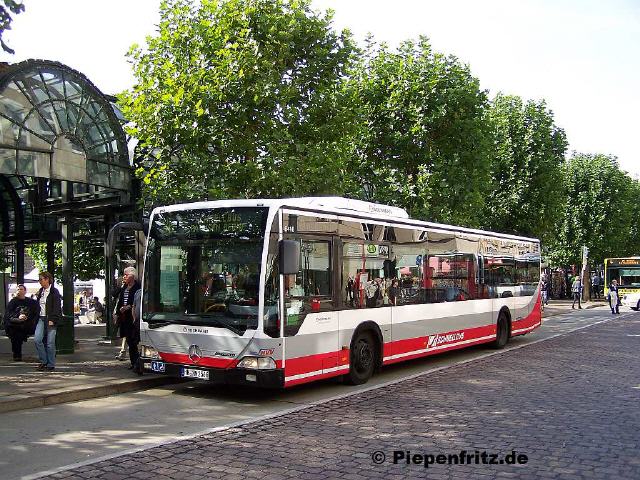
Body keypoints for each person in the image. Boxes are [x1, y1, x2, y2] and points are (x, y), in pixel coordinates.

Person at [34, 271, 63, 371]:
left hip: (50, 319)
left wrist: (53, 319)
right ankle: (44, 360)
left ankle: (50, 364)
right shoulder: (40, 291)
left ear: (47, 279)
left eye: (41, 279)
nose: (40, 281)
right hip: (41, 318)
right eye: (39, 279)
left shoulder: (54, 292)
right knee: (37, 339)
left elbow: (57, 307)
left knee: (50, 343)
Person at [113, 267, 141, 370]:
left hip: (133, 317)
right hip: (124, 318)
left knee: (133, 341)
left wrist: (129, 306)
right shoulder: (124, 287)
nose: (124, 277)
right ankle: (134, 363)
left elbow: (138, 302)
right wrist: (118, 312)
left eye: (126, 275)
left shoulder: (138, 287)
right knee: (129, 340)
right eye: (124, 275)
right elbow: (116, 296)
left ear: (132, 276)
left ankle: (136, 363)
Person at [3, 284, 39, 361]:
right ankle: (17, 355)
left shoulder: (31, 302)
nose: (19, 291)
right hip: (15, 325)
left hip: (27, 324)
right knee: (16, 336)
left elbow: (35, 312)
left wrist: (27, 317)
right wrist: (18, 317)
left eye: (21, 289)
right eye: (18, 289)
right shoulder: (12, 302)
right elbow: (8, 315)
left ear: (25, 291)